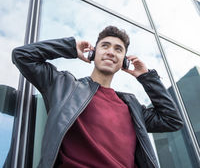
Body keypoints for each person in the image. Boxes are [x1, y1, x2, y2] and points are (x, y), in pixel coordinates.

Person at [12, 25, 183, 168]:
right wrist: (71, 47)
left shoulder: (132, 107)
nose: (111, 52)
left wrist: (147, 77)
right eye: (105, 46)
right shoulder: (64, 86)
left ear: (124, 61)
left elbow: (171, 120)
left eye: (118, 49)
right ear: (93, 54)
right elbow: (22, 56)